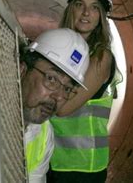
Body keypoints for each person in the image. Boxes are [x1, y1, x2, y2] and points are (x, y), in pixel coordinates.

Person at [48, 0, 121, 182]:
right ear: (71, 8)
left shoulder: (101, 58)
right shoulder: (60, 47)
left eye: (95, 7)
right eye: (80, 4)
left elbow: (63, 109)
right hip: (55, 160)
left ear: (101, 17)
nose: (86, 13)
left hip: (83, 167)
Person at [21, 28, 90, 183]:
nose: (58, 97)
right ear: (22, 70)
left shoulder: (44, 135)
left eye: (67, 89)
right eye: (51, 79)